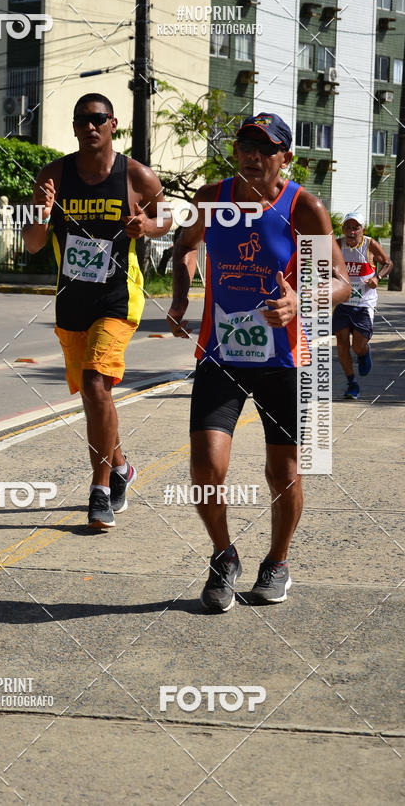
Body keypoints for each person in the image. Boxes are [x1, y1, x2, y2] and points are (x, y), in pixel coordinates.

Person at [167, 113, 351, 611]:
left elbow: (340, 281)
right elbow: (184, 248)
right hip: (221, 353)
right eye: (244, 146)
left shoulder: (303, 207)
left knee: (283, 470)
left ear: (286, 159)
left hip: (286, 359)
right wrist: (182, 297)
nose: (252, 156)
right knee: (206, 465)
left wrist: (301, 301)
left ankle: (277, 562)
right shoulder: (210, 199)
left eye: (264, 149)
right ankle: (223, 556)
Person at [23, 93, 171, 529]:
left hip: (117, 296)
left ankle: (100, 488)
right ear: (74, 127)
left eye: (98, 119)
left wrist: (148, 226)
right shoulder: (54, 176)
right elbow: (33, 243)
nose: (90, 126)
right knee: (95, 395)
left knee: (94, 381)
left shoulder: (137, 175)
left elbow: (168, 218)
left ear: (113, 124)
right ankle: (122, 466)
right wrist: (42, 213)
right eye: (82, 119)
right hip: (71, 299)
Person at [333, 213, 392, 399]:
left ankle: (363, 352)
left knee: (357, 346)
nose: (352, 232)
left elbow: (388, 263)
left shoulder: (370, 244)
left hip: (364, 303)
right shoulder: (337, 245)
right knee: (342, 343)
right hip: (343, 302)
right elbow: (324, 265)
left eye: (355, 228)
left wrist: (377, 277)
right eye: (348, 227)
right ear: (343, 229)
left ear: (362, 230)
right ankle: (352, 384)